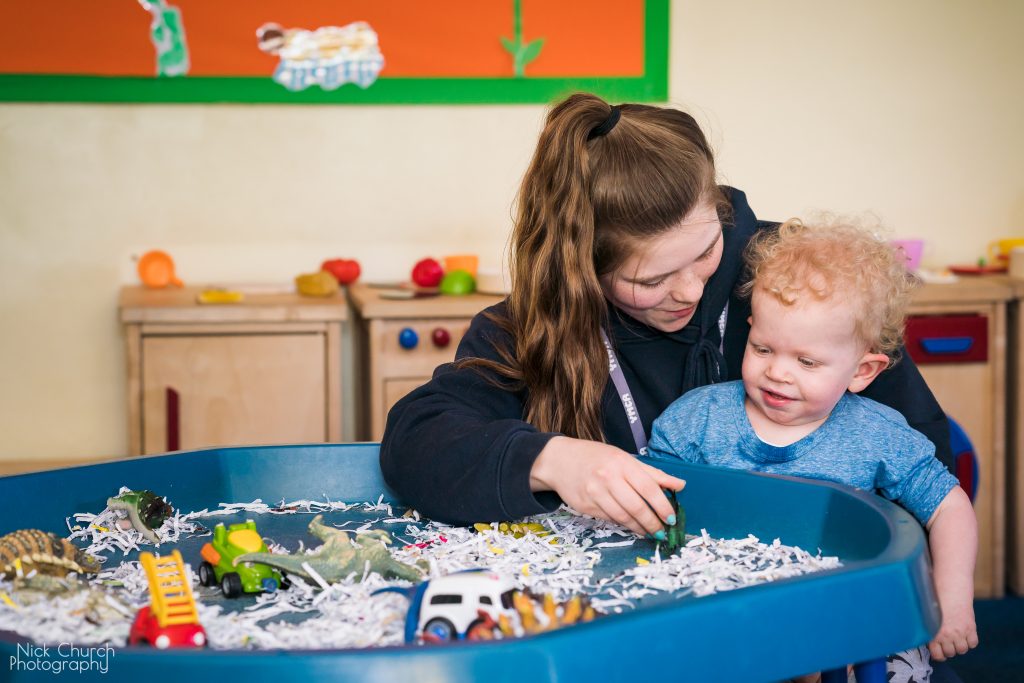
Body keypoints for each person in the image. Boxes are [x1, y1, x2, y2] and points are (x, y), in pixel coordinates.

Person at [379, 91, 952, 542]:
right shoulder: (529, 327)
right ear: (583, 270)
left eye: (706, 251)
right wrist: (552, 459)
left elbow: (922, 452)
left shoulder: (801, 283)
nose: (691, 290)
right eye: (650, 280)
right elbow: (417, 442)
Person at [645, 218, 978, 674]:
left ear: (862, 371)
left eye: (806, 361)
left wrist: (953, 594)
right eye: (763, 348)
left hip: (849, 611)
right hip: (734, 611)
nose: (778, 372)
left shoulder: (878, 436)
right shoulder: (695, 421)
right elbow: (652, 505)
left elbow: (949, 508)